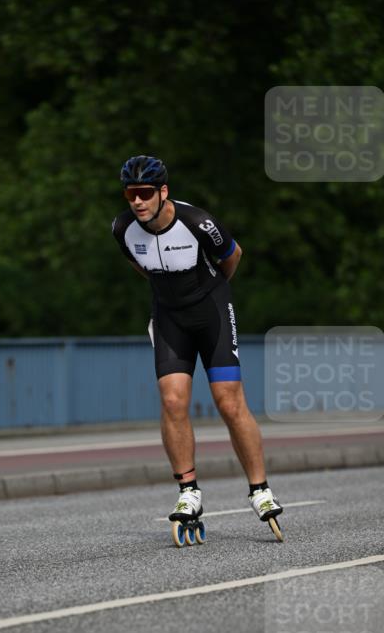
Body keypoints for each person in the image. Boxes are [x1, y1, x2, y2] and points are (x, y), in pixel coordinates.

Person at [112, 154, 283, 540]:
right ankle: (188, 492)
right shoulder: (122, 228)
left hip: (212, 313)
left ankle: (260, 490)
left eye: (144, 193)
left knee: (228, 400)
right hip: (170, 318)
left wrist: (210, 292)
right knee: (172, 400)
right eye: (129, 193)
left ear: (163, 192)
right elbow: (139, 266)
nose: (136, 201)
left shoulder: (198, 222)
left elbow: (232, 257)